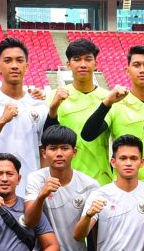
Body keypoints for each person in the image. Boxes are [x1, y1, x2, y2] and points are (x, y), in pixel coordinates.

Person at [80, 45, 144, 188]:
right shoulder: (115, 105)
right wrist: (107, 103)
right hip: (123, 188)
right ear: (127, 71)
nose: (142, 70)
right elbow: (88, 134)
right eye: (136, 65)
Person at [0, 38, 48, 196]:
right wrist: (2, 121)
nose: (14, 65)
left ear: (27, 66)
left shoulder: (39, 105)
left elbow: (43, 151)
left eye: (19, 60)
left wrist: (44, 186)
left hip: (30, 193)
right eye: (8, 61)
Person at [48, 37, 112, 185]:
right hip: (64, 181)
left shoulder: (109, 99)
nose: (83, 64)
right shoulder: (53, 97)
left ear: (95, 64)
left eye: (88, 59)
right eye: (77, 59)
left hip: (101, 180)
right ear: (68, 64)